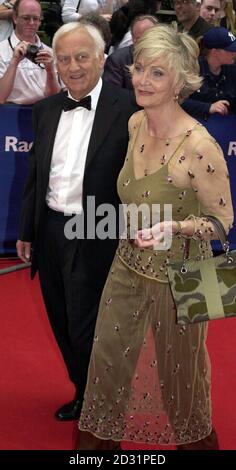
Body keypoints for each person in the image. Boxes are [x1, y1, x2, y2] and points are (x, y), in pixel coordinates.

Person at [77, 24, 234, 450]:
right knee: (107, 364)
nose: (142, 80)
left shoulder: (201, 145)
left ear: (181, 81)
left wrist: (175, 227)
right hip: (128, 264)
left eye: (157, 73)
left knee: (184, 378)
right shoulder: (133, 124)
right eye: (140, 68)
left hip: (191, 273)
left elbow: (223, 223)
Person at [16, 22, 137, 422]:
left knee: (88, 323)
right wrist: (27, 230)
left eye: (82, 56)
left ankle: (99, 399)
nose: (73, 66)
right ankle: (84, 389)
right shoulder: (47, 110)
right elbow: (37, 174)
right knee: (61, 318)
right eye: (64, 58)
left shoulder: (130, 109)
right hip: (51, 227)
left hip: (97, 228)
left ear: (102, 58)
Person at [0, 0, 59, 105]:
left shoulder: (50, 53)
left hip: (43, 114)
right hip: (9, 113)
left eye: (36, 19)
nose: (31, 23)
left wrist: (50, 72)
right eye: (26, 18)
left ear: (40, 21)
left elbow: (55, 99)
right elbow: (0, 98)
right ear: (15, 18)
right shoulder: (1, 50)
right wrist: (14, 62)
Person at [182, 26, 236, 118]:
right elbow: (179, 101)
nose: (234, 53)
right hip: (195, 124)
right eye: (230, 50)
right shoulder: (193, 69)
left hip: (225, 124)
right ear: (214, 52)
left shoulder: (232, 69)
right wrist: (208, 107)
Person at [103, 14, 158, 89]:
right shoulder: (117, 61)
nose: (146, 43)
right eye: (140, 39)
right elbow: (112, 95)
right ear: (133, 39)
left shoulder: (165, 57)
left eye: (149, 38)